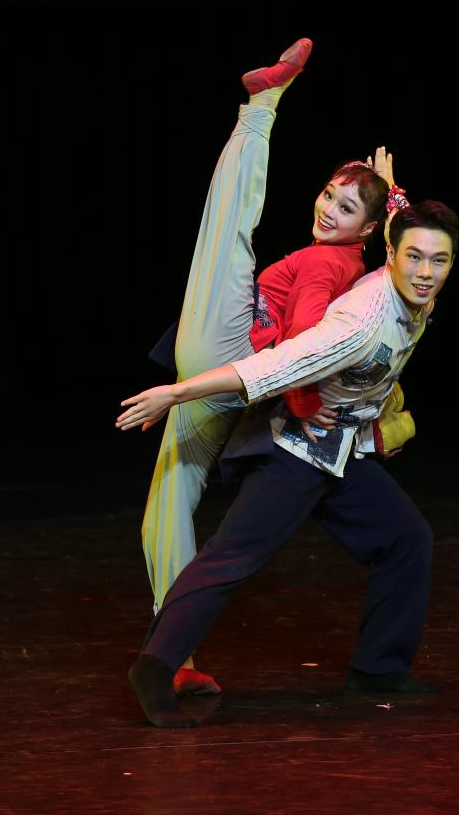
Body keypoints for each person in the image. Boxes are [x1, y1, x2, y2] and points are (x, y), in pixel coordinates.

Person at [117, 199, 459, 727]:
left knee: (406, 538)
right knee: (232, 557)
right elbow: (276, 366)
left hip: (339, 449)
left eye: (439, 261)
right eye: (413, 257)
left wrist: (395, 196)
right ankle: (154, 667)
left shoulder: (419, 290)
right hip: (293, 448)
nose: (425, 273)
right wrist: (177, 393)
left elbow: (406, 229)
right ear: (390, 255)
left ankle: (379, 670)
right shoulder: (359, 323)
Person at [134, 37, 403, 696]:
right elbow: (391, 264)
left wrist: (300, 396)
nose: (326, 210)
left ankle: (261, 109)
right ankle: (175, 657)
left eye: (345, 208)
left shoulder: (324, 264)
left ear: (366, 230)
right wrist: (391, 198)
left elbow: (306, 337)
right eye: (328, 195)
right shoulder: (362, 269)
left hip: (234, 356)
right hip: (235, 386)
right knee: (168, 503)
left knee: (228, 234)